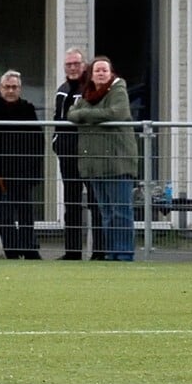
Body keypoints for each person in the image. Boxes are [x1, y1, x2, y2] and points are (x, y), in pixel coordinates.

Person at [67, 56, 139, 262]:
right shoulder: (86, 94)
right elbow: (71, 114)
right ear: (91, 74)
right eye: (97, 70)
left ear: (111, 73)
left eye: (104, 70)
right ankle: (112, 252)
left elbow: (118, 113)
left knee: (121, 211)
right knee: (107, 212)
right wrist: (92, 114)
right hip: (95, 165)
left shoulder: (118, 91)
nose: (100, 73)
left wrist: (86, 115)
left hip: (117, 163)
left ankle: (124, 253)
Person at [0, 70, 44, 259]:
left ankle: (30, 250)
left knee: (26, 215)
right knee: (5, 216)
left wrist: (33, 171)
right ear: (0, 88)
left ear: (20, 89)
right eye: (7, 87)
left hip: (23, 173)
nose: (11, 90)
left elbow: (37, 143)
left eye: (14, 87)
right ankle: (12, 252)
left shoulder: (28, 110)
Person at [53, 48, 101, 260]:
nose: (72, 68)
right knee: (71, 203)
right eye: (69, 65)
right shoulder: (62, 90)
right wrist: (57, 142)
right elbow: (57, 118)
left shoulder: (92, 89)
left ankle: (100, 251)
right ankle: (72, 251)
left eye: (76, 64)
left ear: (84, 66)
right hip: (67, 154)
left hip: (89, 154)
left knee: (95, 201)